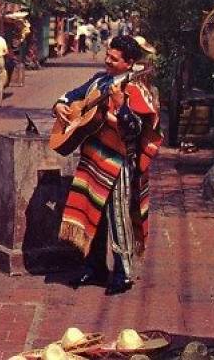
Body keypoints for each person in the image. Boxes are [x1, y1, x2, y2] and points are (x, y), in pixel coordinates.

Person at [54, 35, 162, 295]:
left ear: (129, 63)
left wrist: (122, 106)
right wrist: (60, 104)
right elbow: (72, 96)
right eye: (108, 55)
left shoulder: (136, 89)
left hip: (118, 161)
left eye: (114, 59)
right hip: (93, 158)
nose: (107, 61)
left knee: (117, 216)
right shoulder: (98, 81)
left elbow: (136, 129)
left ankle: (123, 273)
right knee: (93, 212)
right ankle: (95, 266)